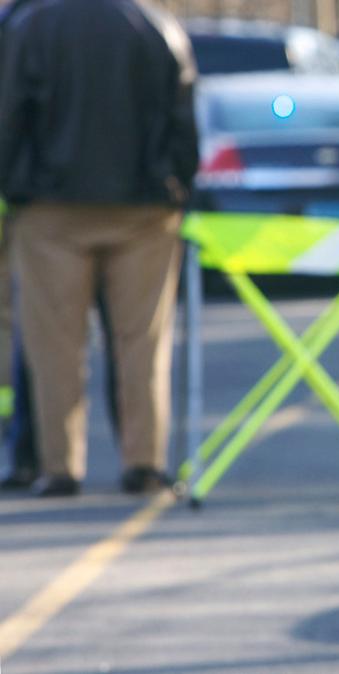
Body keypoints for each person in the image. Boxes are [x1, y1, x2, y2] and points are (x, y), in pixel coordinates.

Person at [0, 0, 199, 497]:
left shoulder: (29, 25)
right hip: (145, 210)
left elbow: (8, 114)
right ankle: (144, 462)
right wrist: (178, 184)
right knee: (143, 342)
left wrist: (12, 189)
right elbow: (183, 117)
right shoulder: (158, 27)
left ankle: (59, 465)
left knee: (54, 346)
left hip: (50, 208)